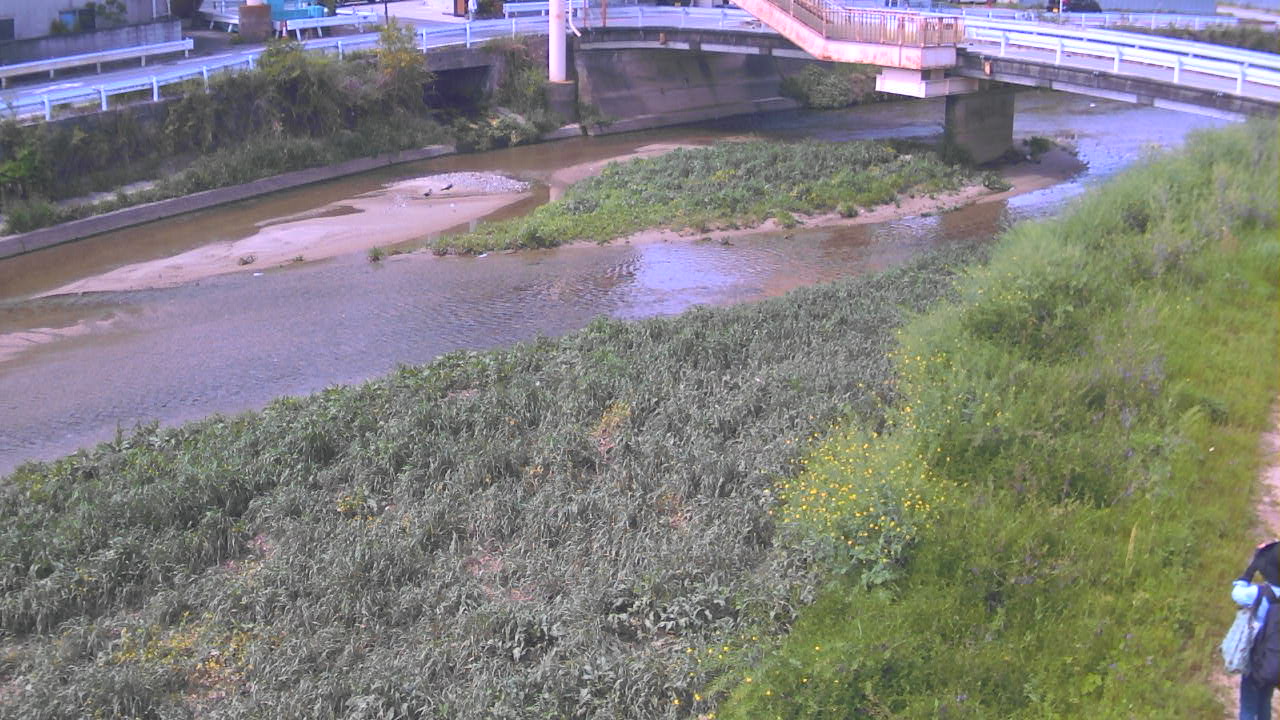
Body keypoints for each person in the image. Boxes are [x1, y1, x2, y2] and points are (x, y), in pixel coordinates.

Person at [1234, 540, 1280, 720]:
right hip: (1275, 660)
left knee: (1248, 706)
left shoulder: (1258, 593)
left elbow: (1237, 594)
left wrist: (1250, 571)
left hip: (1255, 657)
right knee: (1265, 702)